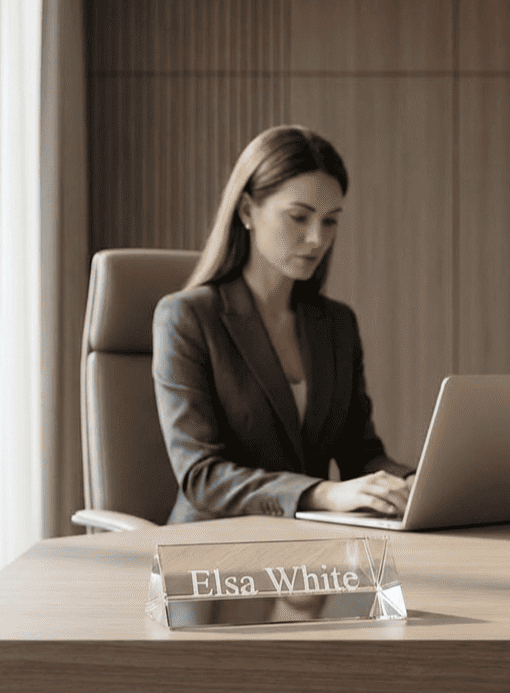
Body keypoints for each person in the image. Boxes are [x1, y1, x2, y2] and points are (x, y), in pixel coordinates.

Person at [152, 125, 414, 524]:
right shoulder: (187, 318)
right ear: (246, 212)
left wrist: (413, 483)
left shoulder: (336, 324)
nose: (316, 239)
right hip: (211, 556)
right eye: (299, 217)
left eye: (330, 222)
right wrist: (322, 493)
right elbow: (202, 477)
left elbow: (360, 454)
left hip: (307, 559)